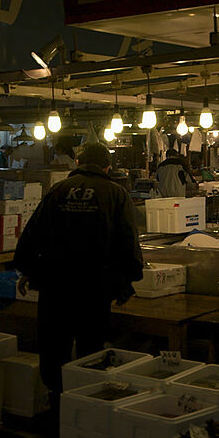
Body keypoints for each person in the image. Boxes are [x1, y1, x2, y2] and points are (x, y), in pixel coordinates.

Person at [14, 143, 143, 414]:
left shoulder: (58, 191)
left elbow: (32, 233)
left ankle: (56, 402)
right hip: (94, 288)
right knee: (91, 348)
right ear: (107, 167)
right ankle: (86, 406)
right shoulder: (116, 193)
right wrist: (127, 280)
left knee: (54, 346)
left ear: (78, 163)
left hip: (55, 286)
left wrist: (27, 269)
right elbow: (128, 241)